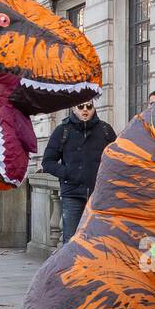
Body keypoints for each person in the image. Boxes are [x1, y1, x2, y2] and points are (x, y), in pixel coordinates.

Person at [42, 99, 115, 242]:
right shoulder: (62, 130)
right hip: (72, 195)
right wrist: (68, 173)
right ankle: (70, 266)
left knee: (99, 241)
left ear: (94, 108)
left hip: (99, 196)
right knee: (71, 241)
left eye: (89, 106)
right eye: (80, 106)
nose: (85, 110)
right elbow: (47, 162)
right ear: (74, 109)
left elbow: (117, 159)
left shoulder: (105, 130)